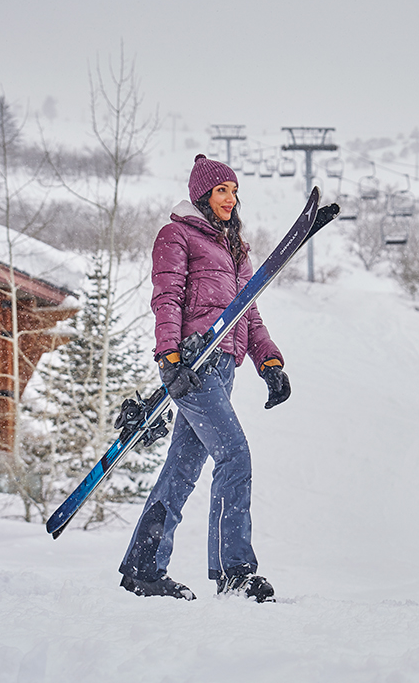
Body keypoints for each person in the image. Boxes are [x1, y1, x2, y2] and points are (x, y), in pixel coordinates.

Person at [117, 155, 291, 602]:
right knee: (235, 457)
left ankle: (144, 568)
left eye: (234, 191)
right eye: (221, 191)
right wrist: (169, 356)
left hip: (224, 367)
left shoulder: (236, 249)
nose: (230, 199)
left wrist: (269, 362)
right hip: (193, 368)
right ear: (202, 196)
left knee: (181, 468)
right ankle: (233, 571)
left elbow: (248, 312)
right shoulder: (176, 235)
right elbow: (167, 296)